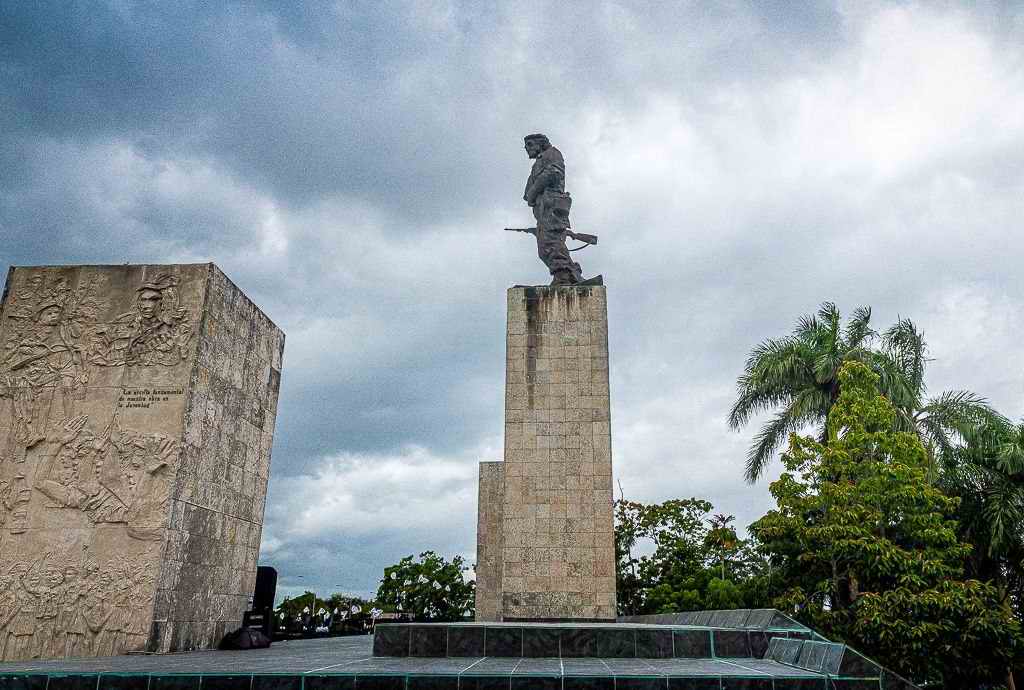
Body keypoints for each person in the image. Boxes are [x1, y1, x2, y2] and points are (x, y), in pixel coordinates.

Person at [522, 134, 583, 285]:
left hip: (552, 205)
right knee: (544, 246)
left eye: (530, 144)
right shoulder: (538, 163)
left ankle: (563, 275)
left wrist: (533, 191)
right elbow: (528, 191)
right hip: (543, 208)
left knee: (551, 241)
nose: (527, 149)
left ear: (540, 143)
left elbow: (553, 173)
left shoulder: (552, 154)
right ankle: (569, 273)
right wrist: (530, 194)